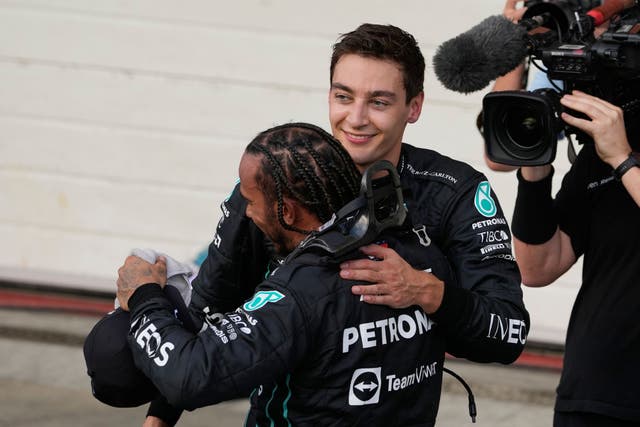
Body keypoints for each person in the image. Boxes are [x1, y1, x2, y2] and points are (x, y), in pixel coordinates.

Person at [144, 23, 530, 426]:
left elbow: (509, 334)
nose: (356, 119)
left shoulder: (454, 192)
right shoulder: (274, 184)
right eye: (343, 97)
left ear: (413, 107)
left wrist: (427, 292)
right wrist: (158, 419)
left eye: (379, 102)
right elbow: (209, 311)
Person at [118, 122, 465, 426]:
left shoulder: (301, 292)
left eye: (250, 202)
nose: (248, 216)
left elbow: (191, 375)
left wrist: (145, 294)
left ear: (287, 211)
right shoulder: (419, 259)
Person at [512, 87, 640, 426]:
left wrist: (623, 161)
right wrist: (534, 172)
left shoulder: (616, 149)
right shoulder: (609, 143)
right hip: (594, 394)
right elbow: (538, 267)